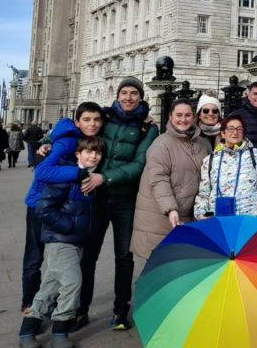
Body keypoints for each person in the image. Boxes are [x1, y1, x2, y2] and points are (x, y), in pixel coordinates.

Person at [76, 77, 159, 331]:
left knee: (124, 256)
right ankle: (80, 310)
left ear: (141, 97)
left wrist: (106, 177)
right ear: (118, 95)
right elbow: (77, 131)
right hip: (96, 197)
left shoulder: (148, 128)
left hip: (125, 199)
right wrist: (47, 144)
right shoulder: (105, 118)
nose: (128, 97)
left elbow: (139, 164)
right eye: (124, 92)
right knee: (87, 256)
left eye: (134, 93)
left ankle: (120, 310)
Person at [19, 136, 105, 348]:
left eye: (97, 152)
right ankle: (60, 331)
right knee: (73, 282)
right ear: (78, 154)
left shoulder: (92, 178)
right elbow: (44, 207)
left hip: (78, 241)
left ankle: (27, 331)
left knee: (50, 286)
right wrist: (67, 226)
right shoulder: (68, 175)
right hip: (61, 239)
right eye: (88, 151)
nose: (93, 155)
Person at [21, 104, 103, 315]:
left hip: (64, 207)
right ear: (77, 122)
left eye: (96, 119)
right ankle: (29, 307)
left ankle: (47, 306)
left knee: (62, 263)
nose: (92, 124)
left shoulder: (86, 141)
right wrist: (77, 173)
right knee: (34, 258)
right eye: (86, 119)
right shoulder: (67, 141)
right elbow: (43, 171)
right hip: (41, 203)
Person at [131, 99, 212, 259]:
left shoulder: (203, 144)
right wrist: (170, 208)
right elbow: (158, 179)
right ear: (170, 116)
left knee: (183, 266)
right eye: (179, 115)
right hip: (161, 215)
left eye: (188, 115)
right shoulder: (161, 144)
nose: (183, 119)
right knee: (160, 268)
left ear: (194, 117)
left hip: (189, 215)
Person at [194, 115, 257, 219]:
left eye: (239, 129)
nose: (235, 132)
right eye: (230, 128)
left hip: (248, 219)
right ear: (223, 134)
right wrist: (201, 214)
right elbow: (204, 192)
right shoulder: (210, 160)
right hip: (218, 220)